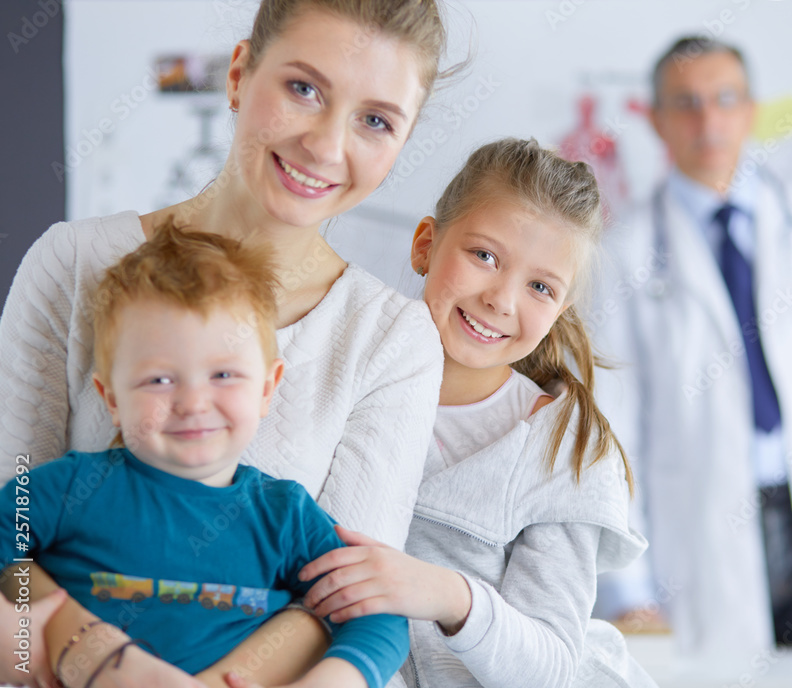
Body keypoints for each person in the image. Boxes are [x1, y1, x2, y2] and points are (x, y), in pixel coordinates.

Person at [0, 1, 451, 685]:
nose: (327, 146)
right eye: (304, 89)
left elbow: (346, 601)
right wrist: (98, 659)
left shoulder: (391, 340)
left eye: (376, 120)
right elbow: (11, 544)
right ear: (240, 74)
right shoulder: (71, 264)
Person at [278, 138, 658, 687]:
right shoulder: (340, 374)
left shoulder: (561, 446)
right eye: (484, 256)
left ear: (560, 311)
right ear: (426, 244)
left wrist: (443, 593)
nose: (502, 300)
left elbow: (550, 665)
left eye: (540, 287)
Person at [593, 36, 792, 657]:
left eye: (724, 99)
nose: (708, 120)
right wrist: (627, 586)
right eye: (686, 103)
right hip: (701, 539)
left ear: (750, 110)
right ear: (656, 119)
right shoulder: (623, 256)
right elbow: (613, 431)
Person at [1, 222, 409, 688]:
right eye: (159, 380)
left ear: (267, 389)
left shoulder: (285, 515)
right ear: (111, 398)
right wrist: (46, 629)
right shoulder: (70, 488)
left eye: (223, 375)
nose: (193, 403)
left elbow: (379, 612)